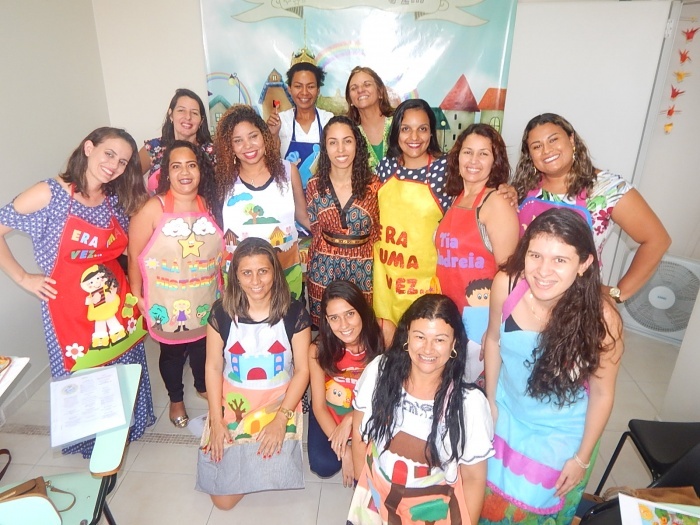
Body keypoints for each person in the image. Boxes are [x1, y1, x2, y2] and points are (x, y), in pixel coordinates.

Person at [0, 127, 155, 457]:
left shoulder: (113, 198)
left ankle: (126, 430)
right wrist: (23, 277)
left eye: (123, 161)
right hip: (68, 310)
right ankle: (92, 445)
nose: (114, 165)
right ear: (88, 148)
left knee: (123, 366)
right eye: (109, 154)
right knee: (84, 373)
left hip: (116, 304)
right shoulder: (49, 193)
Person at [480, 208, 624, 524]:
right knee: (483, 500)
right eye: (535, 256)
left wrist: (581, 459)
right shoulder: (506, 285)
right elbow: (492, 340)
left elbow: (602, 394)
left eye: (560, 259)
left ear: (584, 264)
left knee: (529, 512)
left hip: (560, 432)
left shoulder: (602, 319)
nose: (543, 271)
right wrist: (490, 401)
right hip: (506, 409)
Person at [348, 294, 494, 525]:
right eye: (420, 336)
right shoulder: (379, 372)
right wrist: (363, 493)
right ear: (406, 336)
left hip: (432, 513)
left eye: (439, 339)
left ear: (454, 344)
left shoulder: (469, 404)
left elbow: (474, 479)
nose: (428, 349)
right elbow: (359, 435)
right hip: (375, 498)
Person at [196, 237, 311, 510]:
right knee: (223, 501)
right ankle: (208, 426)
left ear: (275, 272)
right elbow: (213, 367)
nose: (256, 281)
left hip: (278, 402)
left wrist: (281, 419)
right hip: (234, 402)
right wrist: (216, 419)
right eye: (246, 273)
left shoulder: (294, 312)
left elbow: (302, 370)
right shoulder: (221, 312)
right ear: (235, 276)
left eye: (263, 271)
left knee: (274, 471)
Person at [512, 112, 670, 303]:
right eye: (537, 146)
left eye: (553, 140)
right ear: (530, 155)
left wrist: (618, 293)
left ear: (571, 139)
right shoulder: (523, 187)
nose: (546, 150)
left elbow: (657, 240)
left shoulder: (608, 189)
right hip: (523, 298)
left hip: (578, 304)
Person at [128, 141, 224, 428]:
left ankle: (203, 385)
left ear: (200, 170)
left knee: (203, 348)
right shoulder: (152, 208)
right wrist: (136, 294)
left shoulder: (209, 205)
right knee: (171, 354)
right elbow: (135, 254)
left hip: (205, 295)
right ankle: (176, 399)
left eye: (191, 165)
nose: (185, 172)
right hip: (165, 299)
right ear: (167, 172)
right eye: (176, 166)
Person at [436, 124, 519, 384]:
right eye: (468, 152)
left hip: (480, 323)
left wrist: (494, 329)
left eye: (483, 154)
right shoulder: (456, 198)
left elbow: (510, 275)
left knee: (470, 393)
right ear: (457, 157)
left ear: (495, 161)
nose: (473, 160)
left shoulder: (496, 203)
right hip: (452, 318)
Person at [215, 104, 310, 300]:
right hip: (241, 282)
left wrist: (336, 237)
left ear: (264, 136)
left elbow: (302, 216)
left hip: (285, 274)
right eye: (238, 141)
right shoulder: (223, 178)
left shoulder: (288, 171)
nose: (248, 145)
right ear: (229, 146)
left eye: (253, 136)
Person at [373, 98, 452, 326]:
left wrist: (504, 191)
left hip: (427, 285)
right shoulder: (385, 168)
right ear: (396, 132)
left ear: (431, 133)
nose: (414, 137)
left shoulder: (446, 170)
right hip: (386, 284)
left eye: (422, 129)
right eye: (406, 129)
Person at [307, 280, 384, 487]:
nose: (344, 325)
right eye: (334, 318)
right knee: (323, 465)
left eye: (350, 314)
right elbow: (319, 406)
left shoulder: (384, 331)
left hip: (372, 411)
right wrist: (346, 450)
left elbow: (393, 389)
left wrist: (351, 418)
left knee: (377, 464)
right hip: (332, 411)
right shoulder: (318, 349)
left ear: (362, 310)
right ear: (326, 320)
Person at [306, 116, 381, 326]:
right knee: (328, 329)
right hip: (324, 269)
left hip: (364, 270)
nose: (341, 149)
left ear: (357, 144)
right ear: (325, 147)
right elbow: (315, 228)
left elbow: (379, 231)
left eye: (347, 141)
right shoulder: (314, 185)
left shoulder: (375, 186)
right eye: (333, 142)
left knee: (362, 328)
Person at [266, 52, 333, 189]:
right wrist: (273, 134)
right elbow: (271, 163)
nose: (304, 92)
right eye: (298, 86)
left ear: (318, 90)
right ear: (289, 89)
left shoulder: (328, 120)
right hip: (289, 195)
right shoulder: (281, 120)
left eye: (310, 86)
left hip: (322, 195)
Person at [139, 88, 214, 195]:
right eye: (181, 110)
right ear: (171, 115)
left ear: (201, 121)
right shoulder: (153, 148)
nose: (188, 117)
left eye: (194, 113)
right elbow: (128, 179)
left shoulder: (212, 152)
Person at [345, 66, 395, 170]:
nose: (360, 90)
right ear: (350, 100)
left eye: (367, 85)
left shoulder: (399, 123)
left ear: (380, 92)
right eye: (354, 88)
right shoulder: (349, 133)